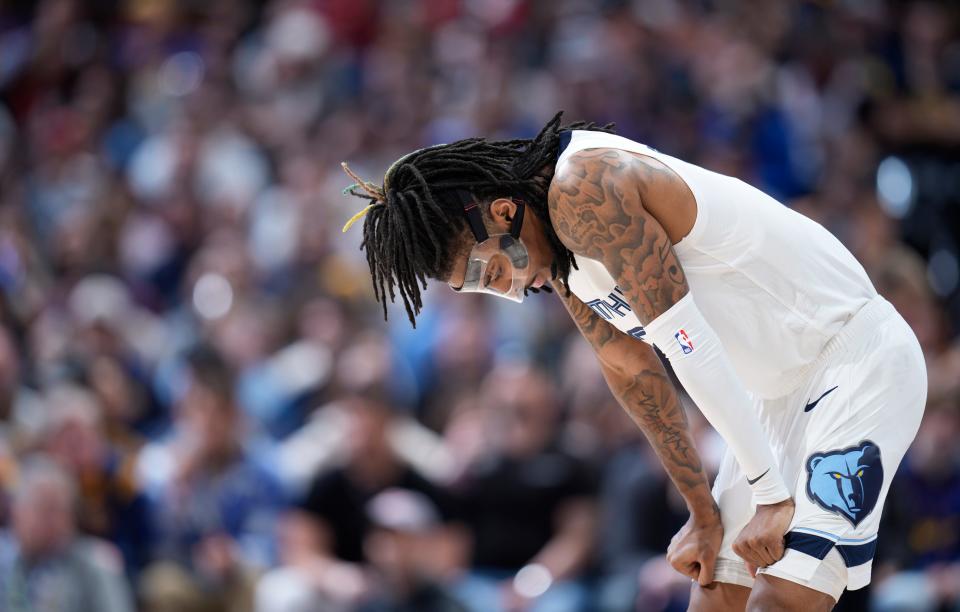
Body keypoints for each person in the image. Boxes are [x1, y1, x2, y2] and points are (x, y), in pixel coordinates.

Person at [341, 113, 928, 611]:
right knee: (714, 596)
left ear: (502, 212)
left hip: (851, 362)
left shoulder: (584, 189)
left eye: (496, 273)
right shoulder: (558, 253)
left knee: (781, 598)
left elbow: (686, 345)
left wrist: (771, 495)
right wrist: (702, 512)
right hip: (773, 395)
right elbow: (632, 373)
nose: (513, 293)